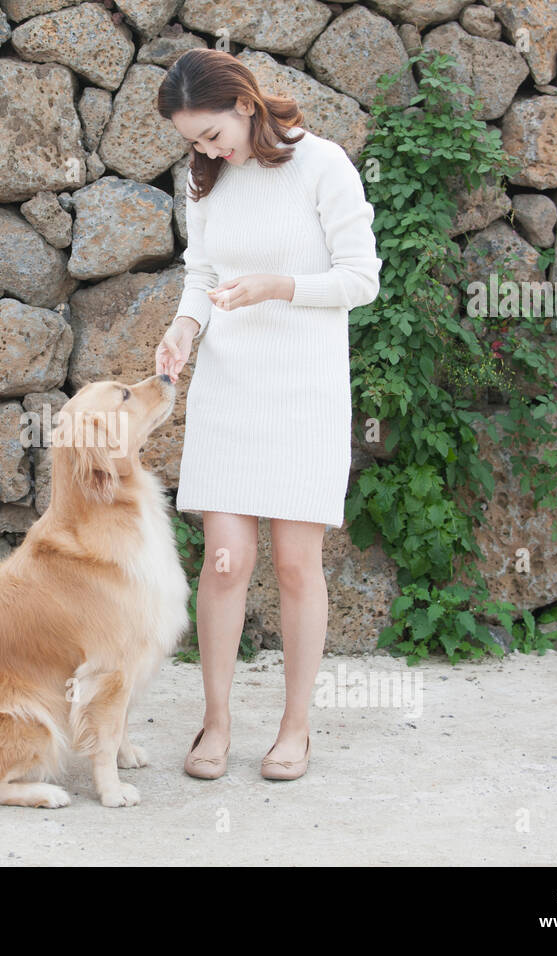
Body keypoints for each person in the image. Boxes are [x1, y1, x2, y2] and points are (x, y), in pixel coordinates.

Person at [154, 49, 382, 781]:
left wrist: (278, 287)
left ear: (246, 106)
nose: (205, 151)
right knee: (226, 563)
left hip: (306, 387)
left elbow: (361, 280)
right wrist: (185, 328)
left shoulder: (323, 167)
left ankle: (295, 728)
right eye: (192, 141)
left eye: (212, 133)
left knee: (294, 564)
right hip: (228, 386)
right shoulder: (206, 180)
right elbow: (202, 275)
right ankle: (215, 723)